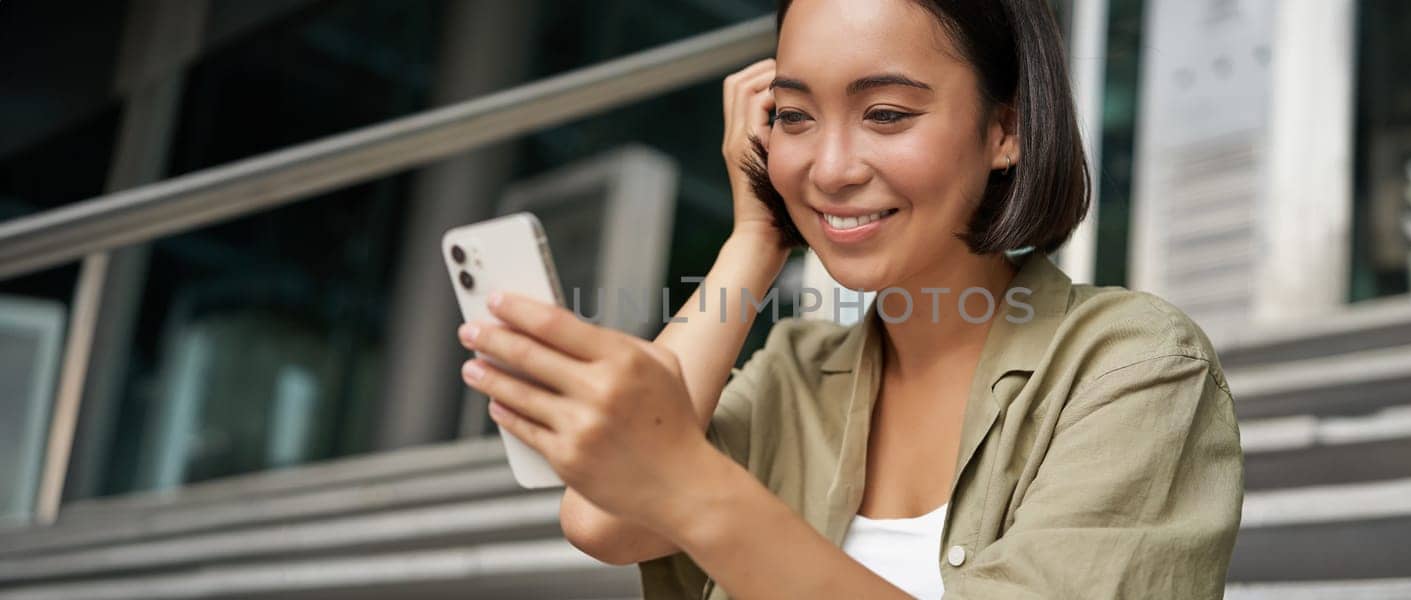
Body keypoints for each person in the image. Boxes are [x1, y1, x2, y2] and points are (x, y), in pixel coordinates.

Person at [454, 0, 1243, 597]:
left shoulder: (1132, 368)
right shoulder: (797, 370)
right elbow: (603, 520)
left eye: (887, 114)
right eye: (794, 117)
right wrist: (757, 239)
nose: (829, 169)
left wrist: (686, 480)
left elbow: (658, 485)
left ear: (1009, 130)